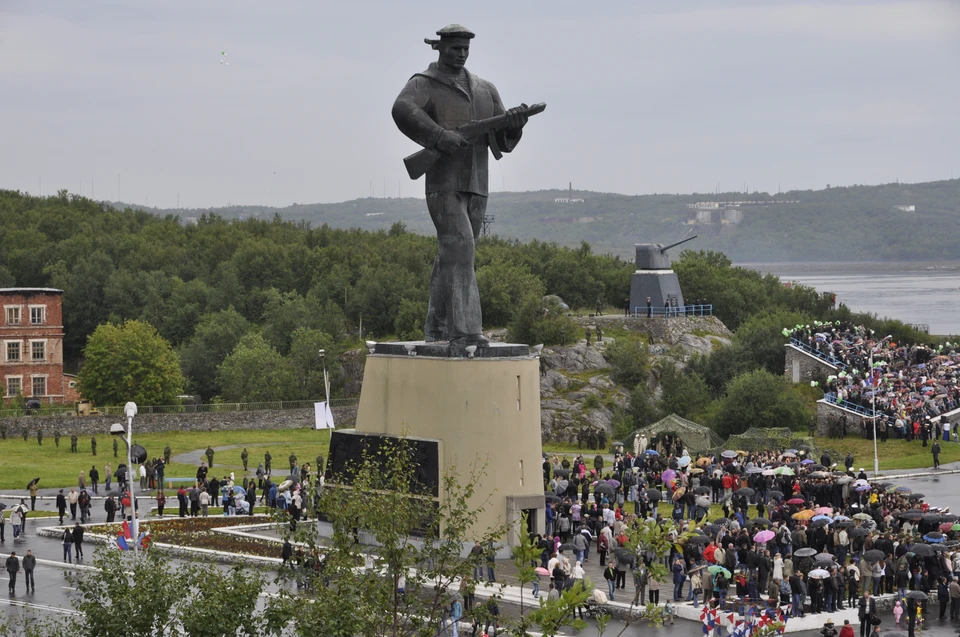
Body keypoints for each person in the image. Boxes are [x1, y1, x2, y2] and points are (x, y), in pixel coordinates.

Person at [392, 24, 529, 346]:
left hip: (477, 182)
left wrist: (516, 126)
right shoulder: (424, 84)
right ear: (440, 48)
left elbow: (503, 141)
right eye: (455, 48)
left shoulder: (485, 88)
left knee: (453, 255)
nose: (462, 54)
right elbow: (402, 109)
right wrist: (439, 135)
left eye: (466, 49)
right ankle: (465, 332)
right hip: (443, 182)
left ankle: (437, 328)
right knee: (461, 249)